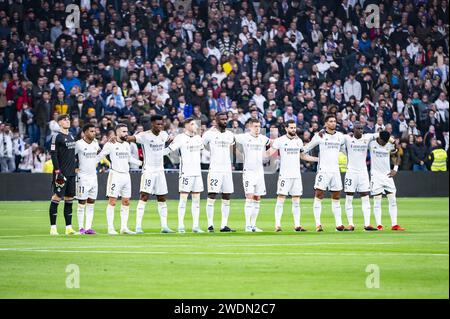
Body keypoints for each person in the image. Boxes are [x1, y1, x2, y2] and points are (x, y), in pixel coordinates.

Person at [266, 120, 318, 232]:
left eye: (294, 127)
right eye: (291, 128)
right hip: (284, 175)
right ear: (286, 128)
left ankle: (297, 225)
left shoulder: (298, 141)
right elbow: (269, 153)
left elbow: (303, 156)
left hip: (296, 175)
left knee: (296, 200)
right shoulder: (280, 140)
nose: (293, 130)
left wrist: (318, 159)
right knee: (281, 199)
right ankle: (277, 225)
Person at [129, 115, 175, 234]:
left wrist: (171, 140)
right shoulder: (144, 135)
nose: (160, 126)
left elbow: (169, 140)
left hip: (160, 171)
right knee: (144, 196)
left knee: (162, 197)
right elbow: (131, 138)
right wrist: (120, 138)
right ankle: (138, 226)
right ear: (152, 124)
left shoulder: (164, 135)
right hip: (148, 170)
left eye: (161, 124)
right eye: (157, 124)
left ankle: (164, 226)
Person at [303, 114, 347, 232]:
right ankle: (318, 224)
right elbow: (306, 148)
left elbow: (344, 151)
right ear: (326, 123)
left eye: (334, 121)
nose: (333, 123)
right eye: (331, 121)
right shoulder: (319, 136)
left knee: (336, 196)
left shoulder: (340, 136)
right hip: (323, 170)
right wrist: (301, 152)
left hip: (335, 171)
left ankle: (339, 225)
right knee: (319, 195)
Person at [97, 124, 142, 235]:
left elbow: (129, 158)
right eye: (123, 131)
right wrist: (90, 165)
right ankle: (110, 228)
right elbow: (100, 155)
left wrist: (141, 163)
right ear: (117, 133)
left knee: (126, 202)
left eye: (126, 131)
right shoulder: (110, 144)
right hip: (115, 175)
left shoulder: (127, 144)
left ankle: (124, 228)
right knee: (112, 201)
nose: (126, 133)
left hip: (126, 175)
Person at [164, 117, 205, 233]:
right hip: (186, 172)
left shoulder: (198, 138)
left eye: (195, 124)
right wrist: (156, 154)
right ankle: (181, 225)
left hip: (197, 173)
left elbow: (202, 149)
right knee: (183, 200)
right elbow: (169, 150)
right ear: (186, 125)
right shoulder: (180, 138)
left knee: (196, 200)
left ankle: (195, 226)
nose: (195, 126)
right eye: (192, 124)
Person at [234, 118, 270, 232]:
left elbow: (273, 143)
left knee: (257, 197)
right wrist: (240, 156)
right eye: (255, 126)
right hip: (249, 171)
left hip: (260, 172)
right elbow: (231, 139)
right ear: (249, 127)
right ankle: (247, 225)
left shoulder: (263, 139)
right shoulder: (244, 137)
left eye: (259, 126)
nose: (257, 128)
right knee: (249, 196)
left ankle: (254, 225)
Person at [202, 112, 236, 232]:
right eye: (222, 119)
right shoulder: (208, 134)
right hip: (215, 169)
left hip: (227, 169)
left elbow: (232, 149)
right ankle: (210, 225)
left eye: (226, 119)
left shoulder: (230, 135)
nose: (225, 121)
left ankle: (224, 225)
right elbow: (202, 146)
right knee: (212, 195)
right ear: (216, 121)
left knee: (226, 196)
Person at [342, 122, 378, 231]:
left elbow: (378, 134)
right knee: (349, 197)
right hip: (351, 172)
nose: (361, 130)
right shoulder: (347, 138)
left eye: (362, 128)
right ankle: (350, 224)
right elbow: (335, 135)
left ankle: (367, 224)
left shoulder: (367, 138)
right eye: (358, 128)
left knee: (365, 197)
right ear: (354, 129)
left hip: (363, 172)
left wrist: (390, 139)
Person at [369, 131, 405, 231]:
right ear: (379, 138)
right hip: (375, 176)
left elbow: (397, 155)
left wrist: (395, 168)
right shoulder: (371, 143)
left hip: (387, 176)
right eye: (383, 141)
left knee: (393, 200)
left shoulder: (389, 145)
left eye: (386, 141)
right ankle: (379, 225)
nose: (384, 143)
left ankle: (394, 225)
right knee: (377, 201)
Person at [48, 114, 77, 235]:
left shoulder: (71, 136)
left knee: (69, 199)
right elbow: (53, 154)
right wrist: (57, 171)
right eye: (64, 120)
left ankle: (68, 227)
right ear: (59, 123)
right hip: (61, 173)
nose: (67, 121)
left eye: (68, 119)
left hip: (71, 173)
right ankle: (53, 228)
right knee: (57, 197)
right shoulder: (56, 136)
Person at [74, 123, 100, 235]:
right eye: (91, 131)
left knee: (91, 202)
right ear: (84, 132)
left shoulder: (96, 143)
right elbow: (70, 157)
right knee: (81, 202)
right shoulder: (78, 144)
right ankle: (81, 228)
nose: (94, 133)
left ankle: (89, 227)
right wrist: (75, 168)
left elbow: (99, 155)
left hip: (93, 177)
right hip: (83, 177)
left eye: (94, 131)